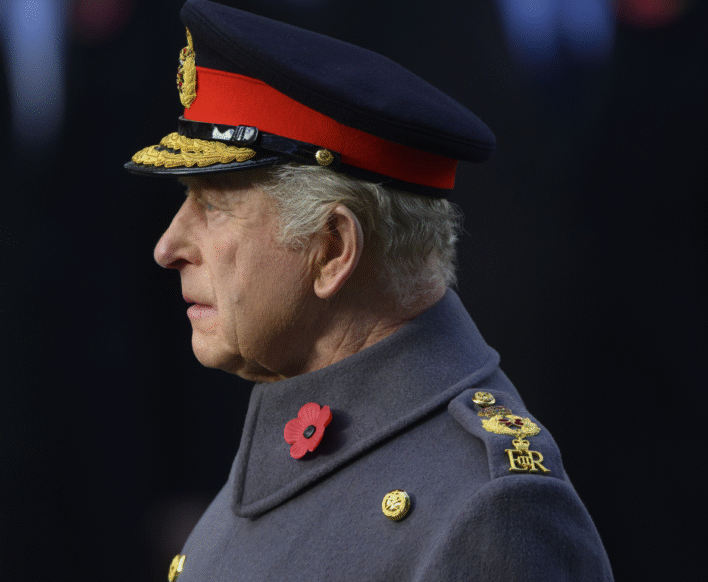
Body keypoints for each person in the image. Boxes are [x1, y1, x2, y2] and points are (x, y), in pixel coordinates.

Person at [125, 1, 613, 580]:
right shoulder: (293, 434)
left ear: (332, 249)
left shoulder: (493, 512)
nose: (168, 245)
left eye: (215, 207)